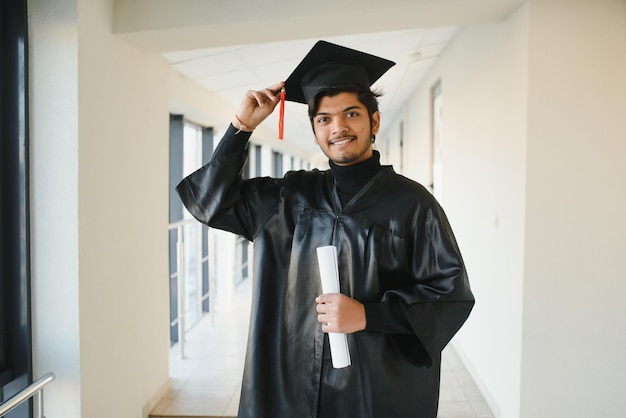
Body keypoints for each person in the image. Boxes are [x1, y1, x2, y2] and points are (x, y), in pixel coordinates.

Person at [177, 40, 474, 418]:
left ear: (374, 121)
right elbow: (210, 203)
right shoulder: (287, 196)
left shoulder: (414, 205)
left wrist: (369, 315)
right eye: (324, 119)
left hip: (372, 393)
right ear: (315, 131)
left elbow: (450, 297)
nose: (339, 128)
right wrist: (241, 128)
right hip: (289, 386)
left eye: (351, 114)